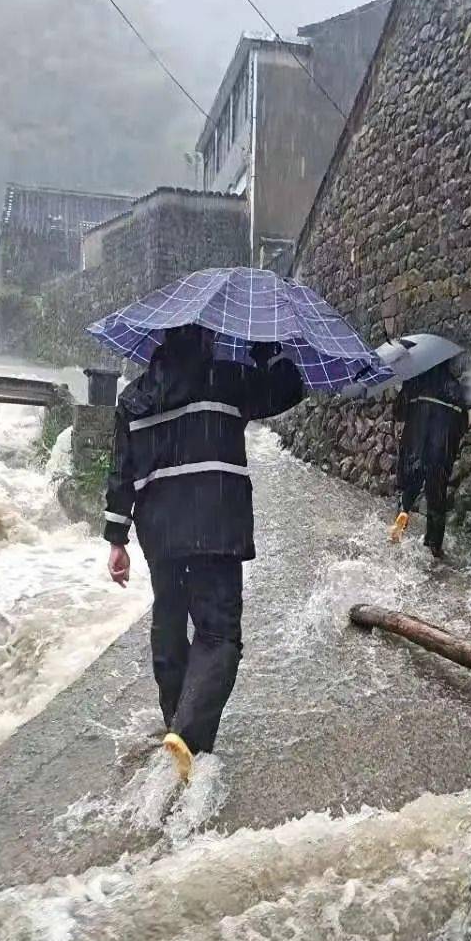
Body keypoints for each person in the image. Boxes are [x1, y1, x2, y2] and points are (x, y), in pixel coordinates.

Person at [104, 324, 304, 782]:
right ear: (206, 339)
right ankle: (188, 737)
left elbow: (120, 474)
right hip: (217, 527)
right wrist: (266, 351)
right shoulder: (226, 379)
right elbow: (286, 390)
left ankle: (176, 722)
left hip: (162, 534)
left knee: (169, 626)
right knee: (218, 635)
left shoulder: (134, 398)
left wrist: (117, 541)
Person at [388, 361, 470, 560]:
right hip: (441, 454)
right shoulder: (457, 391)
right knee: (436, 502)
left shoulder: (417, 382)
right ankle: (434, 548)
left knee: (408, 489)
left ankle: (403, 515)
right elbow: (463, 426)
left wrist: (405, 387)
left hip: (413, 449)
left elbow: (398, 413)